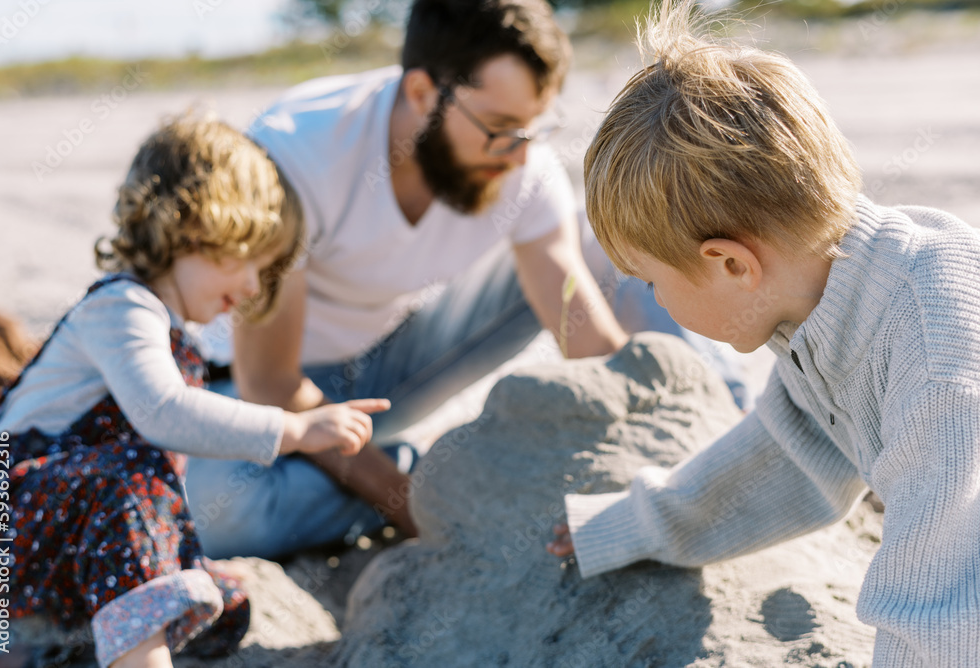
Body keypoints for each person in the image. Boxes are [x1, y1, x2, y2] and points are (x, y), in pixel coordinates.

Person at [185, 0, 752, 562]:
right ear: (421, 94)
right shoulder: (295, 155)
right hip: (256, 387)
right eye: (501, 129)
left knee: (613, 248)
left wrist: (633, 433)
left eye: (534, 127)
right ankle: (427, 467)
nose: (518, 155)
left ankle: (727, 438)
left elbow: (579, 326)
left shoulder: (520, 163)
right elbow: (271, 384)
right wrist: (418, 504)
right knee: (226, 518)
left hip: (387, 366)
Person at [546, 3, 980, 665]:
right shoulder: (826, 297)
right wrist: (631, 526)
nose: (650, 299)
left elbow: (939, 612)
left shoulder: (936, 356)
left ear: (730, 264)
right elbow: (789, 454)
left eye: (651, 282)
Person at [0, 115, 388, 668]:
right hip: (2, 508)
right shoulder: (120, 308)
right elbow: (164, 413)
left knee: (216, 597)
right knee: (128, 483)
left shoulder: (176, 336)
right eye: (248, 261)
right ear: (193, 226)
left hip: (56, 536)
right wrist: (294, 429)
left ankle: (33, 644)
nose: (250, 288)